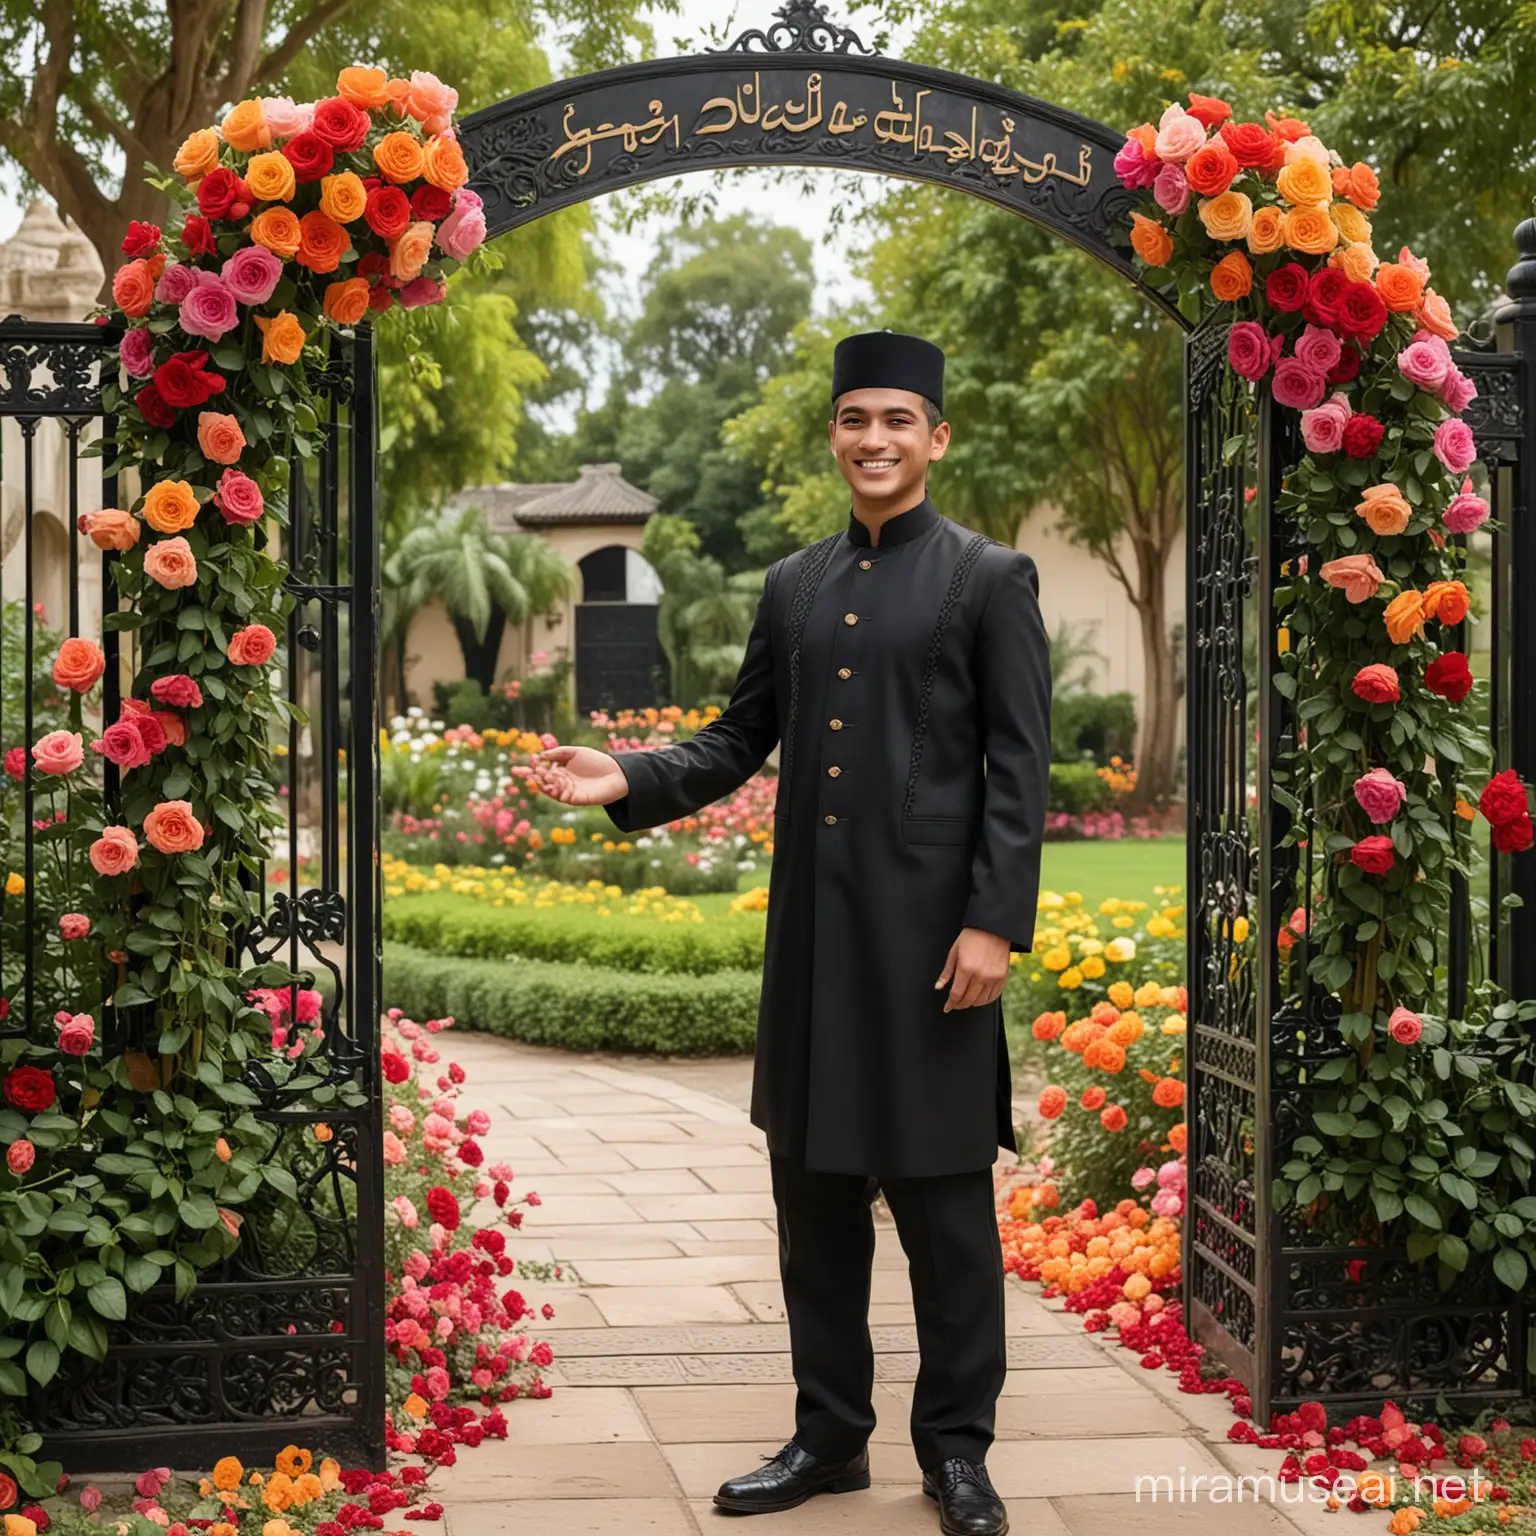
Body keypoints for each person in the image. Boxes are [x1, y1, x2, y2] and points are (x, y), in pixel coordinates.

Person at [532, 331, 1050, 1536]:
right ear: (835, 432)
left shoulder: (990, 576)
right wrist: (629, 775)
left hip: (935, 949)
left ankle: (958, 1453)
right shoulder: (796, 584)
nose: (874, 439)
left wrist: (994, 924)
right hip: (815, 944)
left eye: (897, 421)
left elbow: (1021, 770)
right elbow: (736, 737)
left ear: (936, 436)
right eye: (854, 419)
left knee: (947, 1218)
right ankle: (828, 1439)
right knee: (812, 1204)